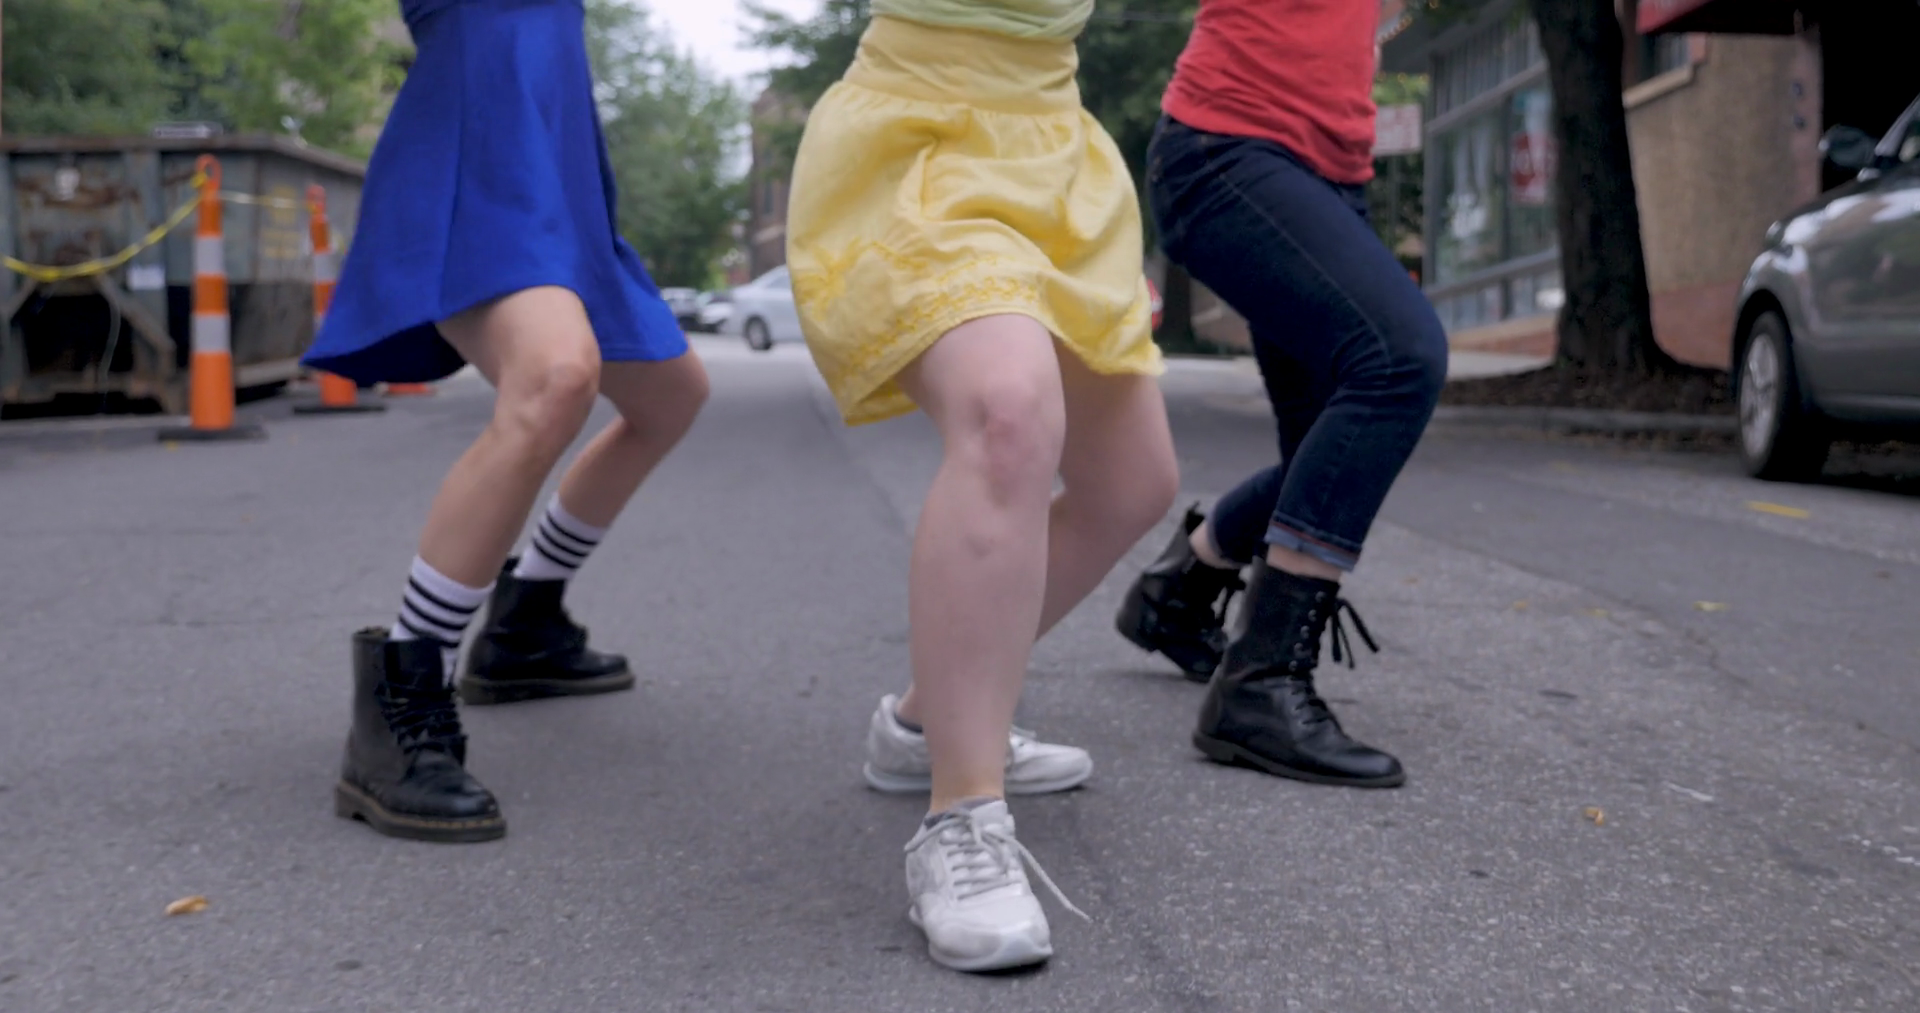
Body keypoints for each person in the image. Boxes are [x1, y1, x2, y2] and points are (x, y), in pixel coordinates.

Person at [785, 0, 1181, 972]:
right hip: (918, 135)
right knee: (1009, 415)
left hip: (1054, 146)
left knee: (1130, 482)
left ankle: (924, 721)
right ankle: (962, 814)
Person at [304, 0, 709, 844]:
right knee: (554, 377)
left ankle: (526, 622)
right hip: (476, 150)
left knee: (671, 396)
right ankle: (402, 692)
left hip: (554, 169)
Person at [1115, 0, 1448, 789]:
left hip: (1331, 168)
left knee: (1320, 457)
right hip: (1229, 148)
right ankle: (1259, 683)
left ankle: (1181, 590)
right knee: (1400, 358)